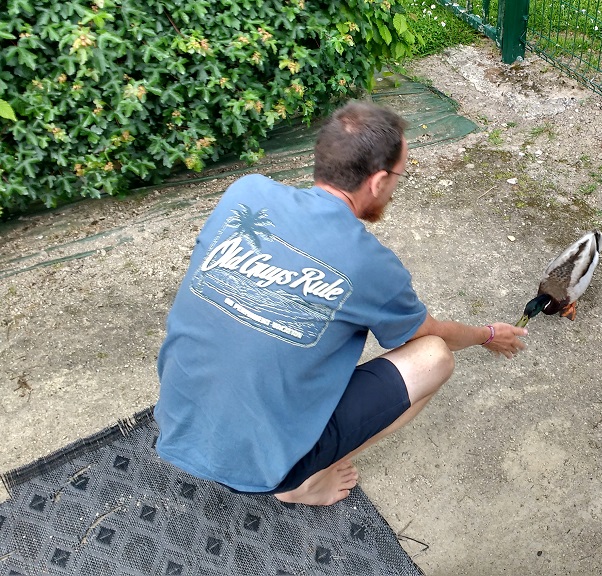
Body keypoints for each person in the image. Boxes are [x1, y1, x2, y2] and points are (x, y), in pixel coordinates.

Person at [154, 101, 528, 506]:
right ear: (378, 180)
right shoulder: (369, 263)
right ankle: (304, 482)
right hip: (262, 469)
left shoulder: (245, 192)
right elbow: (433, 334)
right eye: (399, 176)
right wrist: (487, 334)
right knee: (434, 357)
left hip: (176, 420)